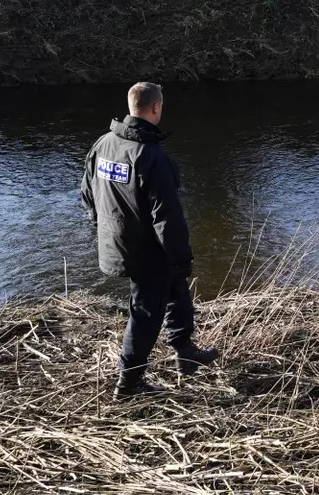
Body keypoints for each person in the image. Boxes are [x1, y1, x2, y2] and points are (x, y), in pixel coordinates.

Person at [80, 82, 219, 398]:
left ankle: (184, 350)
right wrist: (182, 258)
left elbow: (86, 195)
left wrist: (105, 230)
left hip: (118, 244)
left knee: (174, 287)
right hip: (144, 252)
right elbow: (167, 219)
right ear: (156, 108)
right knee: (145, 313)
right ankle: (128, 384)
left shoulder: (103, 145)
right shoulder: (152, 157)